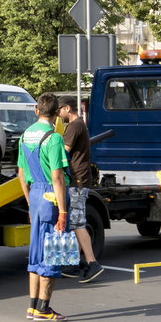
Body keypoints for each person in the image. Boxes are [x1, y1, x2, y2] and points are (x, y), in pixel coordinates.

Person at [18, 92, 70, 321]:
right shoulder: (55, 138)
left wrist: (29, 202)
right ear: (57, 113)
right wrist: (63, 211)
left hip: (36, 196)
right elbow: (58, 178)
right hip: (51, 196)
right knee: (53, 252)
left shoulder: (25, 135)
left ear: (36, 110)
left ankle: (32, 307)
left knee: (36, 252)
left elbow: (21, 174)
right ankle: (44, 309)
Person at [57, 95, 104, 282]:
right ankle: (74, 264)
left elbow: (63, 151)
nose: (58, 114)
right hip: (79, 179)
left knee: (77, 223)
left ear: (67, 108)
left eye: (59, 110)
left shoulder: (74, 126)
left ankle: (93, 263)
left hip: (77, 180)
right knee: (76, 222)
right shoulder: (78, 125)